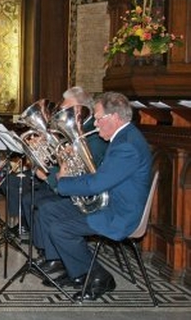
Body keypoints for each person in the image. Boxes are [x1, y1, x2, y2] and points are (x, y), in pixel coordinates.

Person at [36, 91, 152, 301]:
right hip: (108, 202)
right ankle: (76, 271)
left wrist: (63, 182)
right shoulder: (123, 137)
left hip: (119, 213)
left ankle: (99, 276)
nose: (96, 125)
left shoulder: (127, 145)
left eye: (98, 119)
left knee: (60, 229)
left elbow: (98, 183)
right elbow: (101, 179)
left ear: (114, 118)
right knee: (49, 210)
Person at [7, 86, 107, 242]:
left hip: (80, 193)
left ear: (81, 109)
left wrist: (47, 175)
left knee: (41, 204)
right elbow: (57, 161)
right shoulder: (68, 129)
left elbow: (79, 172)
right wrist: (37, 153)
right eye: (62, 108)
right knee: (27, 196)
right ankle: (40, 245)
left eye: (67, 108)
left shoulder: (93, 136)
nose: (61, 113)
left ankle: (51, 255)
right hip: (63, 184)